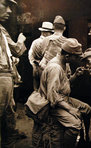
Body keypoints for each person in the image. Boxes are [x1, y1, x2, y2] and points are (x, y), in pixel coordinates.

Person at [26, 38, 91, 148]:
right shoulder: (55, 67)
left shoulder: (63, 63)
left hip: (62, 99)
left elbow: (63, 85)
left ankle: (84, 141)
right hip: (51, 104)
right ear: (67, 56)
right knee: (75, 125)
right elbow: (52, 97)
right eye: (75, 57)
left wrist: (75, 76)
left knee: (87, 109)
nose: (77, 59)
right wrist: (70, 109)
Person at [0, 0, 27, 147]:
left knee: (8, 125)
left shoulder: (1, 30)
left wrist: (11, 62)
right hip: (2, 80)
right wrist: (21, 40)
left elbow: (13, 52)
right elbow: (17, 49)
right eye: (5, 5)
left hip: (7, 79)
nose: (9, 11)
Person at [28, 21, 54, 91]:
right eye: (50, 33)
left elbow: (30, 56)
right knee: (46, 90)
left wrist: (34, 65)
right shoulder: (50, 42)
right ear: (45, 32)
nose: (51, 34)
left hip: (36, 69)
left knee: (36, 90)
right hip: (45, 69)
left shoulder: (35, 42)